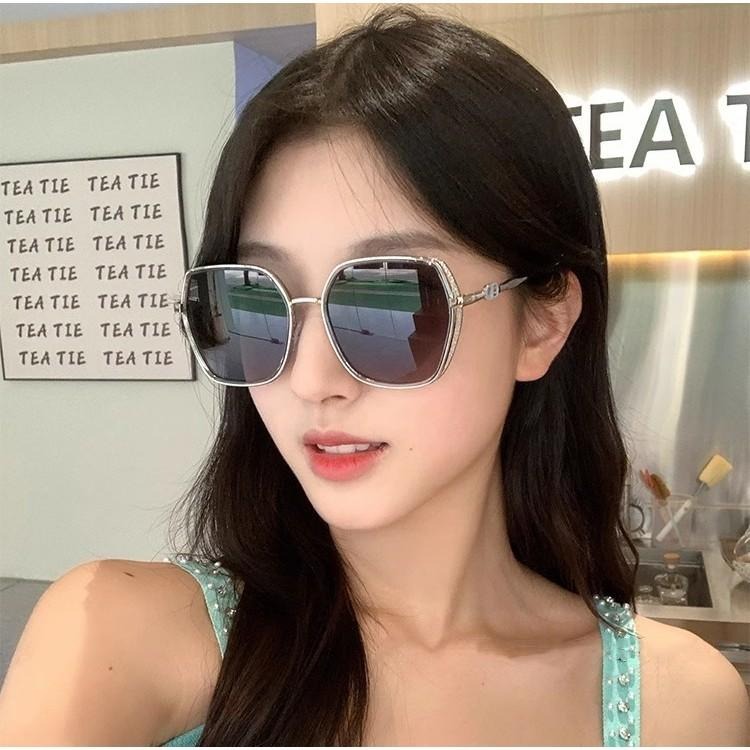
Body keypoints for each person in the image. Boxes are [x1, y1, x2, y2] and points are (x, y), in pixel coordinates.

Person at [1, 5, 748, 747]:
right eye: (257, 304)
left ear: (543, 322)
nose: (311, 379)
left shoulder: (680, 706)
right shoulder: (118, 639)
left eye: (389, 303)